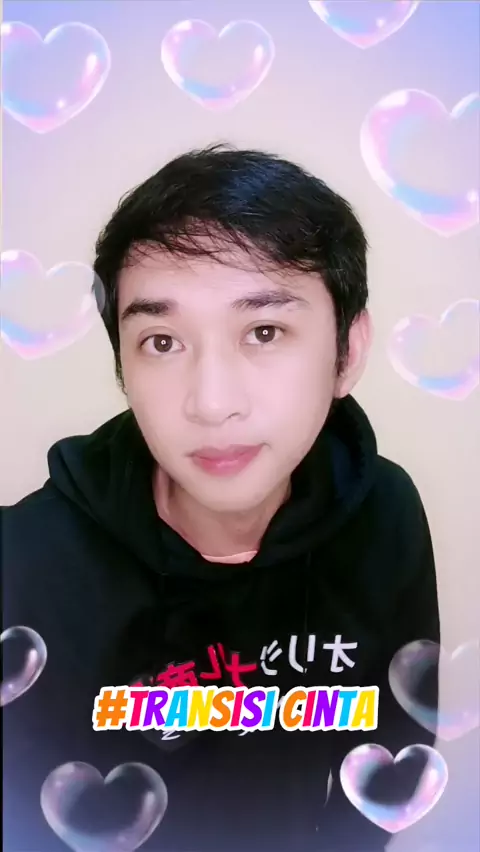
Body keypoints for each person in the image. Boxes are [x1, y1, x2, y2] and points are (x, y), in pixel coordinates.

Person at [2, 143, 440, 852]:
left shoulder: (382, 512)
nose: (210, 403)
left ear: (347, 353)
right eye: (162, 342)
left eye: (264, 331)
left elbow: (394, 754)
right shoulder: (26, 559)